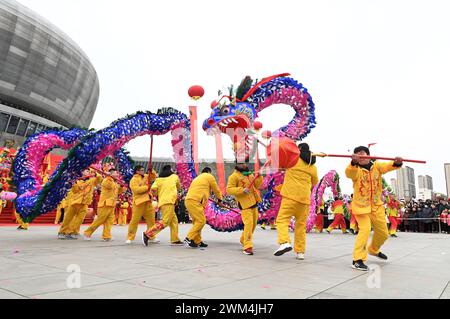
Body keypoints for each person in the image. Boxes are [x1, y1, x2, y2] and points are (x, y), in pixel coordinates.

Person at [345, 146, 403, 271]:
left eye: (362, 153)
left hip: (376, 206)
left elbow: (387, 166)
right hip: (361, 206)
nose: (360, 156)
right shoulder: (356, 169)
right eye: (357, 154)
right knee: (365, 229)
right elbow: (349, 173)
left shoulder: (377, 166)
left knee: (383, 234)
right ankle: (357, 259)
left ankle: (373, 249)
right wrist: (353, 163)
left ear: (368, 155)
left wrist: (396, 163)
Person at [274, 143, 318, 260]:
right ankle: (300, 252)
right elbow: (314, 182)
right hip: (304, 200)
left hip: (290, 197)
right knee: (301, 226)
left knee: (282, 220)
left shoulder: (292, 160)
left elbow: (278, 166)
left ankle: (284, 242)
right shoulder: (313, 167)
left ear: (298, 150)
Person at [227, 160, 263, 255]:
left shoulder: (249, 174)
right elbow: (229, 189)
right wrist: (242, 190)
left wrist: (259, 177)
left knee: (254, 224)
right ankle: (247, 246)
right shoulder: (233, 176)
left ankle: (243, 239)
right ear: (237, 164)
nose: (243, 165)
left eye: (244, 163)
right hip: (244, 204)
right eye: (241, 163)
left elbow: (257, 185)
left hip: (254, 202)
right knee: (249, 224)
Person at [142, 165, 183, 246]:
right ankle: (148, 233)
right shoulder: (174, 176)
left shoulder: (158, 180)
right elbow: (178, 186)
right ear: (170, 170)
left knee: (174, 221)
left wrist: (158, 194)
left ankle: (175, 239)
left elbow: (153, 189)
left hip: (163, 201)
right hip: (169, 201)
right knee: (165, 221)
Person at [57, 169, 102, 239]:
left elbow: (99, 179)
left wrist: (96, 174)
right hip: (75, 202)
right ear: (82, 172)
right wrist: (73, 183)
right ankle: (62, 232)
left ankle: (73, 232)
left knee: (80, 219)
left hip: (85, 203)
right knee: (68, 218)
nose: (89, 172)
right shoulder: (77, 181)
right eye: (87, 171)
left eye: (89, 172)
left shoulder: (92, 181)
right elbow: (75, 191)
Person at [184, 167, 223, 248]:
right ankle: (189, 237)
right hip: (196, 201)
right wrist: (220, 199)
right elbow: (216, 189)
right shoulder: (209, 176)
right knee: (201, 221)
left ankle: (197, 241)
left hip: (190, 200)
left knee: (197, 222)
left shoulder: (198, 178)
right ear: (209, 171)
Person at [83, 168, 126, 241]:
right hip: (105, 204)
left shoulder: (114, 182)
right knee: (99, 220)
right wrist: (109, 177)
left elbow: (118, 192)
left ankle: (106, 236)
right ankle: (87, 233)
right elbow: (109, 186)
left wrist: (121, 187)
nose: (117, 175)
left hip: (112, 205)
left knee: (109, 221)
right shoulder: (106, 180)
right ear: (111, 174)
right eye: (116, 173)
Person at [127, 166, 158, 244]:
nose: (143, 171)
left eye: (144, 170)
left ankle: (151, 236)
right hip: (139, 203)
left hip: (148, 201)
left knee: (151, 221)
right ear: (137, 171)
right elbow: (136, 190)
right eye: (141, 170)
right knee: (134, 221)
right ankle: (130, 237)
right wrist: (146, 187)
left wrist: (152, 171)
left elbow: (154, 177)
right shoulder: (133, 180)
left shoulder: (146, 176)